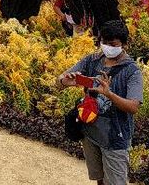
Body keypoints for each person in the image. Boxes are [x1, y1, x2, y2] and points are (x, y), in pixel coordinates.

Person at [59, 20, 143, 185]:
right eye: (104, 42)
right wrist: (65, 82)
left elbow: (133, 107)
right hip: (90, 132)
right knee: (99, 179)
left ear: (124, 44)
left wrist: (109, 94)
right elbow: (59, 80)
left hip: (114, 139)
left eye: (112, 44)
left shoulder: (132, 71)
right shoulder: (93, 60)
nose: (107, 47)